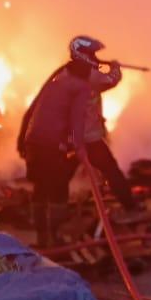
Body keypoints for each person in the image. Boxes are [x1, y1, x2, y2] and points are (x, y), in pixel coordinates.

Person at [18, 39, 94, 248]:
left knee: (41, 188)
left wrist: (21, 140)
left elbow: (32, 110)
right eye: (93, 57)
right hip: (52, 146)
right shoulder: (80, 87)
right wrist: (79, 149)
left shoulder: (56, 80)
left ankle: (42, 238)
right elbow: (77, 121)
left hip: (33, 142)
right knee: (58, 191)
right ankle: (55, 237)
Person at [77, 41, 139, 213]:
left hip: (68, 138)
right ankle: (130, 206)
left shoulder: (65, 75)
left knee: (64, 176)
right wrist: (115, 67)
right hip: (89, 139)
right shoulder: (90, 75)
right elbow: (111, 80)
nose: (96, 58)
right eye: (93, 55)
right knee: (111, 171)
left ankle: (54, 220)